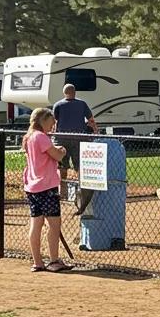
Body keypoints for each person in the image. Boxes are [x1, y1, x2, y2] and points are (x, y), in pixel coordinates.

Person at [22, 107, 72, 273]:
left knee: (36, 223)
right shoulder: (41, 137)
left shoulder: (28, 137)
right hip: (46, 186)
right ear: (43, 121)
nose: (52, 126)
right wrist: (62, 150)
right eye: (51, 123)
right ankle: (54, 260)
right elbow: (57, 156)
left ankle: (37, 261)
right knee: (54, 224)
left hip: (32, 186)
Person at [51, 83, 98, 186]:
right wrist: (95, 131)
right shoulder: (82, 104)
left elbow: (53, 122)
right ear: (75, 92)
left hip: (62, 138)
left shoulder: (58, 105)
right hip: (79, 138)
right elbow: (91, 120)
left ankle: (62, 191)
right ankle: (82, 189)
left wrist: (52, 134)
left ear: (64, 93)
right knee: (80, 165)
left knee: (62, 166)